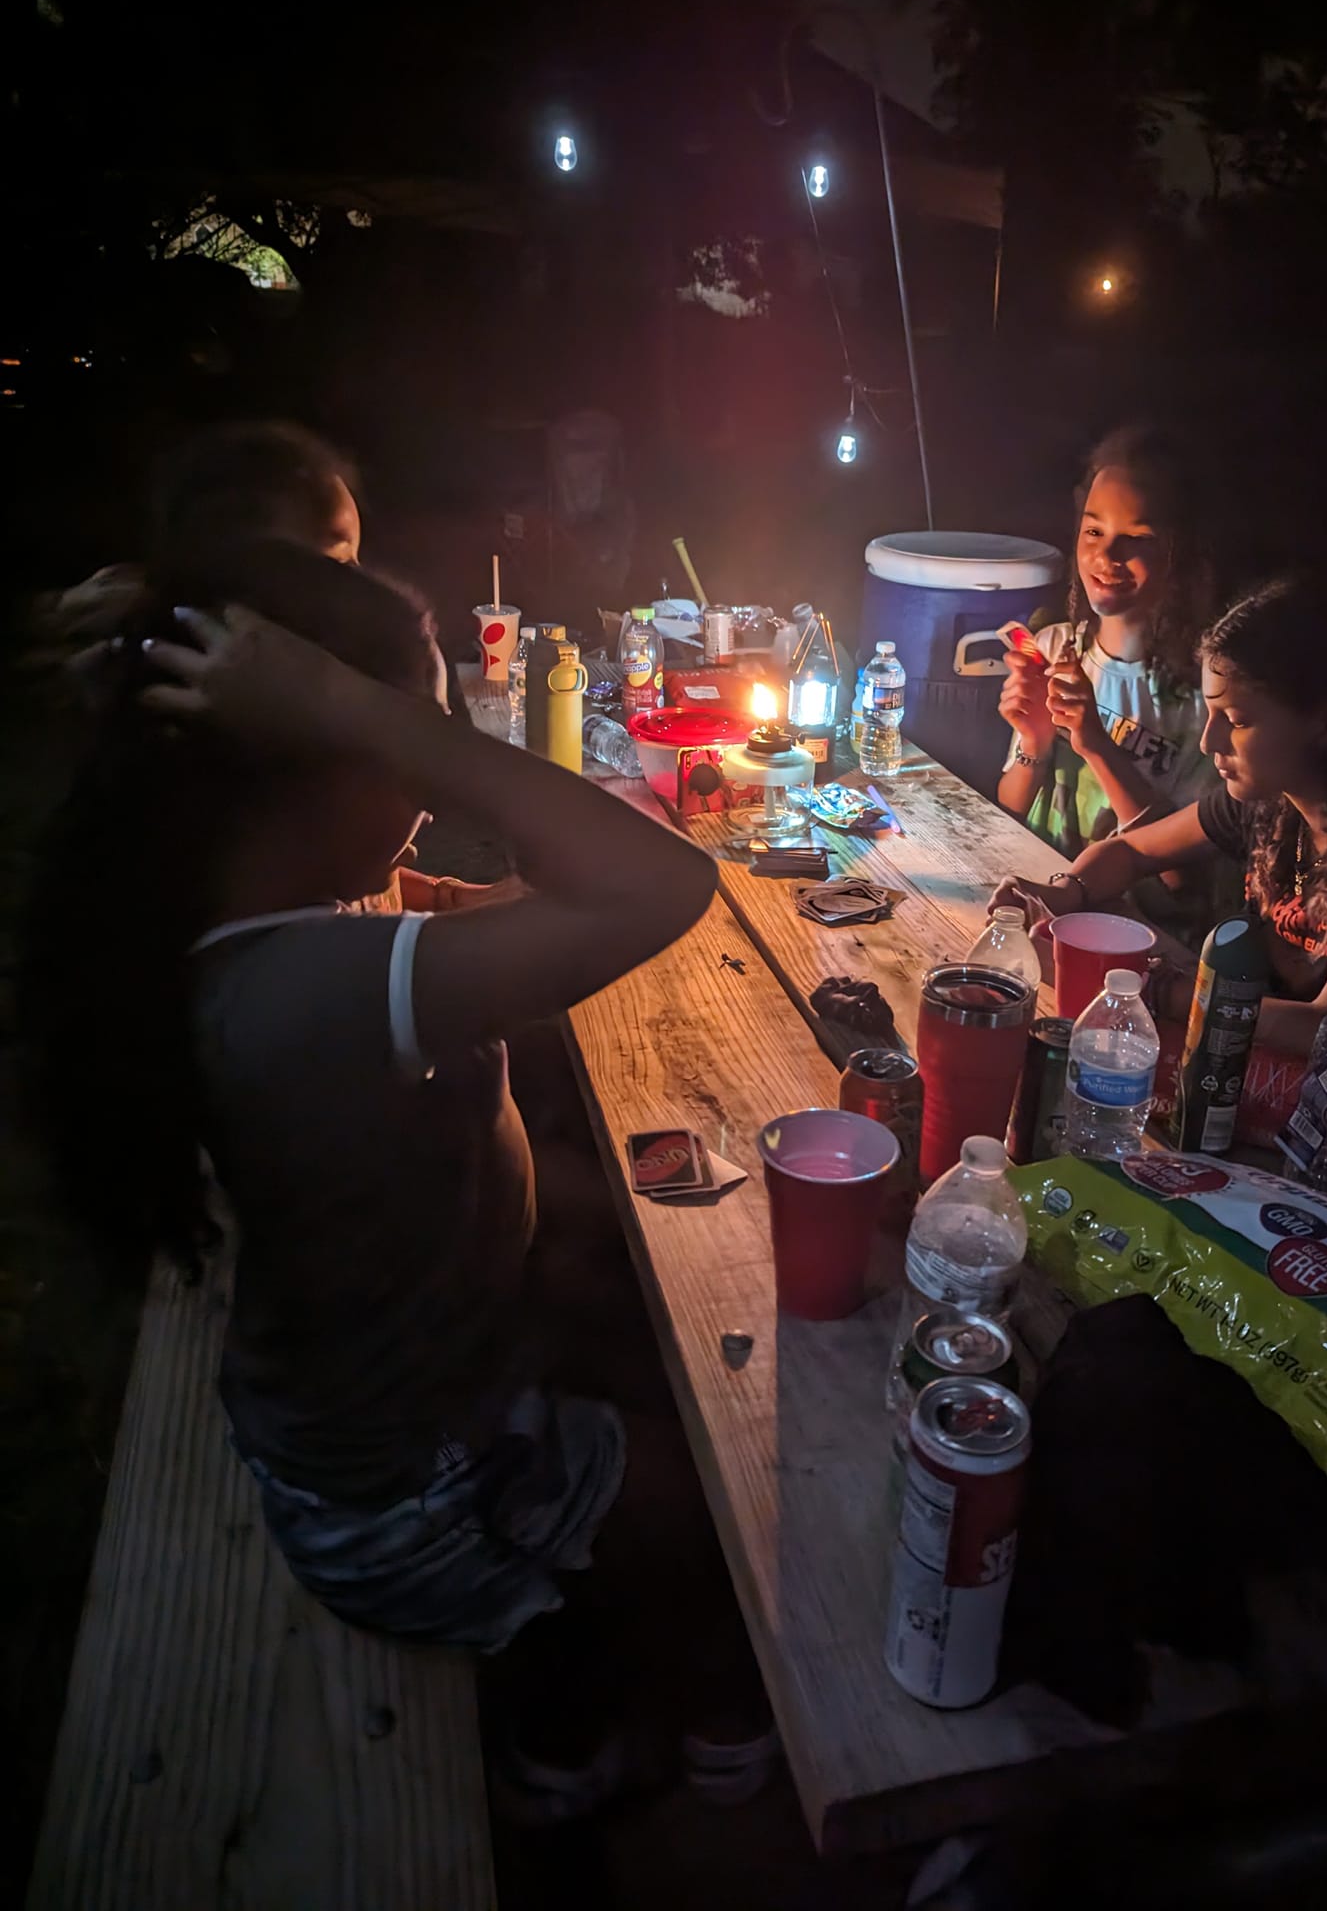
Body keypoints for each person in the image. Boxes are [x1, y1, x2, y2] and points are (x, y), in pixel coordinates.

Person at [19, 543, 762, 1803]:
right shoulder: (307, 993)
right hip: (409, 1500)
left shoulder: (268, 915)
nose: (426, 791)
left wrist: (361, 726)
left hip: (396, 1365)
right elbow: (658, 883)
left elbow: (521, 896)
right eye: (400, 744)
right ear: (305, 763)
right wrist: (355, 706)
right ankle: (572, 1732)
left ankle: (572, 1656)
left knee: (660, 1270)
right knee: (721, 1509)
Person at [991, 578, 1327, 1089]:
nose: (1207, 741)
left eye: (1237, 720)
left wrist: (1163, 992)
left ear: (1326, 724)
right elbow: (1129, 850)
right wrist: (1063, 892)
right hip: (1287, 1082)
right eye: (1211, 714)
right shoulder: (1274, 799)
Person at [30, 420, 487, 913]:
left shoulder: (294, 695)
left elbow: (368, 890)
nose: (360, 584)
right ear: (247, 565)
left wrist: (451, 897)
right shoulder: (245, 733)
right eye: (336, 560)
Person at [997, 426, 1216, 853]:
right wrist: (1034, 742)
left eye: (1137, 538)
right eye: (1094, 531)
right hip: (1042, 898)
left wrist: (1096, 743)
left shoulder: (1205, 697)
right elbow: (1010, 810)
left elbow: (1181, 879)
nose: (1107, 556)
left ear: (1182, 551)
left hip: (1136, 918)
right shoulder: (1054, 648)